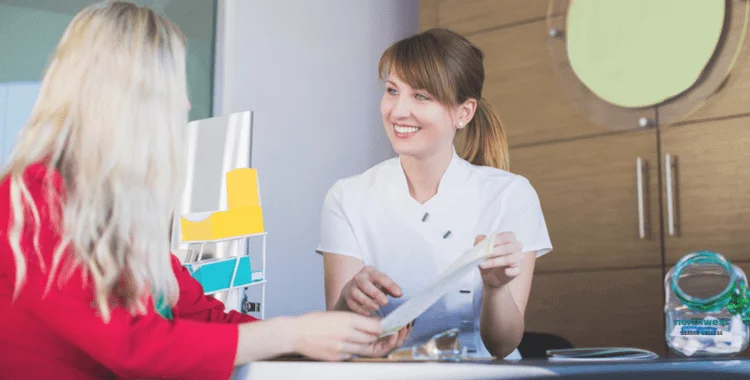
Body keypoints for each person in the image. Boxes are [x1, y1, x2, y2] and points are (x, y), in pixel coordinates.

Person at [0, 3, 407, 379]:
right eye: (172, 88)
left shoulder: (118, 217)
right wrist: (293, 334)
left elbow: (209, 322)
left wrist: (336, 338)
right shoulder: (29, 201)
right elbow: (133, 345)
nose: (185, 104)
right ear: (125, 100)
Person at [318, 28, 553, 360]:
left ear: (464, 112)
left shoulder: (510, 194)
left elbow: (503, 344)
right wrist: (349, 300)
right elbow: (338, 341)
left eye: (421, 96)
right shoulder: (347, 197)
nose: (398, 111)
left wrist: (496, 288)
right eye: (392, 91)